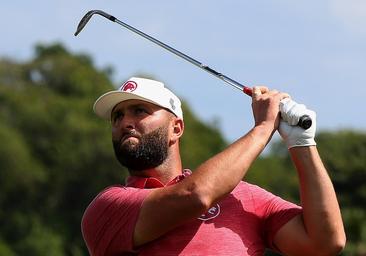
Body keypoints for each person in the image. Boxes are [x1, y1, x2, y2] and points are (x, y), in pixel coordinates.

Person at [81, 76, 346, 255]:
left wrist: (301, 143)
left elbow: (325, 242)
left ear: (176, 128)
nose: (125, 122)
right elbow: (195, 196)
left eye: (139, 111)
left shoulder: (243, 196)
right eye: (117, 116)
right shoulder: (108, 207)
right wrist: (264, 128)